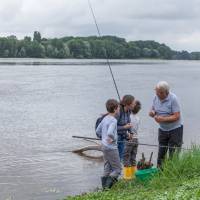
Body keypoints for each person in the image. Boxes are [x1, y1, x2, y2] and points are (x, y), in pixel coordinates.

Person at [149, 81, 183, 167]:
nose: (158, 95)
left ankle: (173, 172)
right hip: (162, 130)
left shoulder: (173, 98)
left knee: (173, 153)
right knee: (161, 153)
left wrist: (163, 119)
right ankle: (160, 173)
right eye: (156, 92)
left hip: (175, 130)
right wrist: (152, 112)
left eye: (160, 93)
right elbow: (152, 109)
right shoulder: (155, 97)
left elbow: (177, 116)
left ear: (166, 92)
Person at [96, 99, 121, 189]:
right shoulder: (113, 120)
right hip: (111, 147)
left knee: (107, 167)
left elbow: (97, 131)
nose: (119, 109)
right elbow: (110, 132)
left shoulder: (105, 118)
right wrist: (113, 139)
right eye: (118, 108)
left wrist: (103, 138)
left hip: (104, 146)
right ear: (114, 109)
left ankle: (104, 188)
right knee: (118, 169)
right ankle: (107, 187)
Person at [123, 100, 141, 179]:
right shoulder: (137, 118)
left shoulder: (128, 117)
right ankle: (134, 175)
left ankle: (127, 177)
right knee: (133, 158)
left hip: (129, 139)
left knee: (126, 157)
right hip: (136, 139)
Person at [117, 95, 135, 161]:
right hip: (116, 138)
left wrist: (131, 132)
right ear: (128, 104)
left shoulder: (128, 111)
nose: (134, 104)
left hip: (123, 136)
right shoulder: (118, 112)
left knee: (121, 158)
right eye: (133, 103)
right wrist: (124, 127)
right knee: (117, 159)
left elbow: (129, 123)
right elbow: (112, 128)